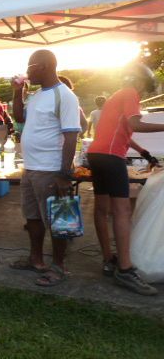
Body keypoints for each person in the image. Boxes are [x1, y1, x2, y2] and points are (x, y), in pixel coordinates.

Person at [87, 62, 164, 296]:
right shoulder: (131, 93)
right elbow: (134, 124)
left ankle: (109, 260)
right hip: (112, 158)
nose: (143, 93)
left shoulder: (114, 96)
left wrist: (144, 153)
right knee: (122, 211)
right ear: (140, 81)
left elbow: (121, 132)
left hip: (96, 154)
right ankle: (126, 270)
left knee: (102, 209)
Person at [10, 50, 81, 286]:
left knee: (58, 220)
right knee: (32, 217)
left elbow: (71, 136)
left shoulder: (65, 96)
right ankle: (36, 259)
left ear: (43, 66)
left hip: (50, 170)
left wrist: (64, 173)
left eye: (30, 66)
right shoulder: (38, 94)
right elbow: (19, 116)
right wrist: (16, 92)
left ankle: (58, 267)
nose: (27, 71)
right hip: (30, 168)